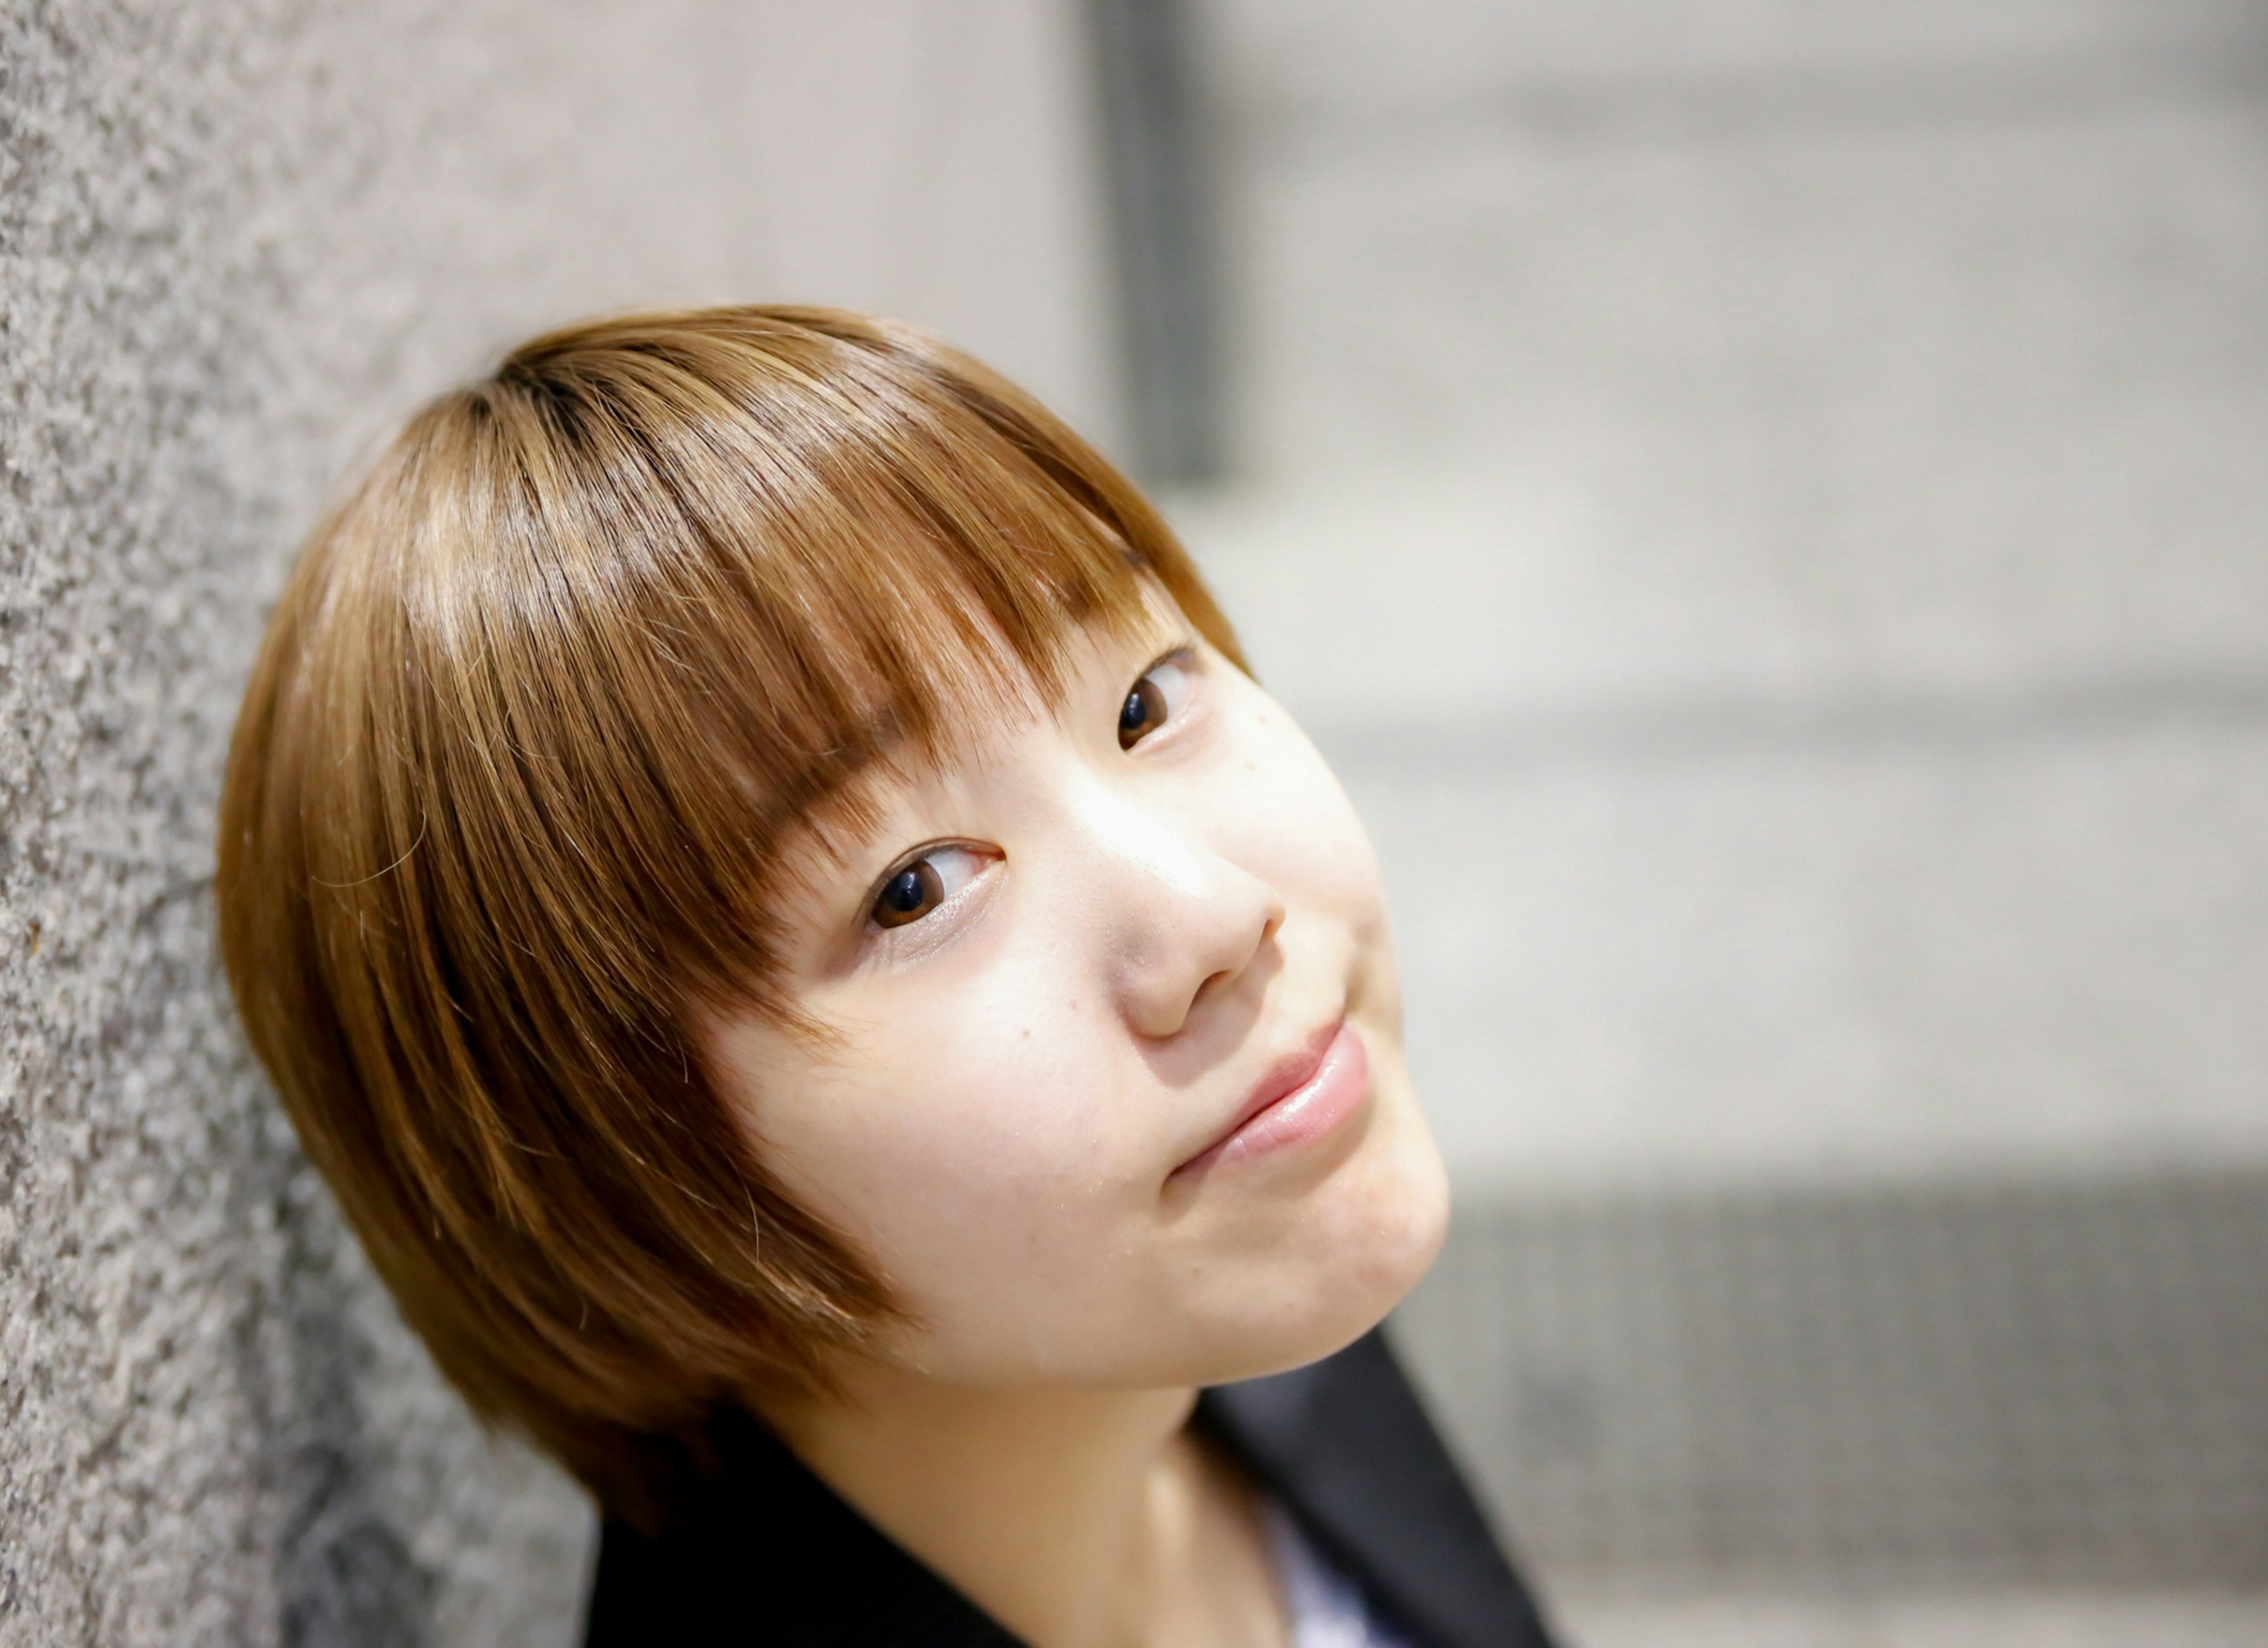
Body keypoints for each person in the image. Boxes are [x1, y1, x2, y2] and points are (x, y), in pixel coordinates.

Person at [216, 307, 1556, 1647]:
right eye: (914, 886)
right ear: (629, 1185)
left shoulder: (1221, 1290)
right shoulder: (1179, 1240)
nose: (1214, 911)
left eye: (1146, 699)